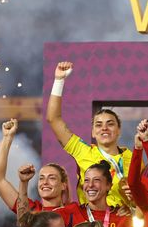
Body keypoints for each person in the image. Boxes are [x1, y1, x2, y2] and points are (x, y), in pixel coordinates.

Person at [46, 61, 133, 208]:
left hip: (122, 225)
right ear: (93, 132)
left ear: (119, 130)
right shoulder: (83, 151)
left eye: (110, 124)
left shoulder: (132, 158)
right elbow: (53, 119)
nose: (104, 128)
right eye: (98, 125)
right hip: (91, 223)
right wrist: (59, 80)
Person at [0, 119, 82, 225]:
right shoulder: (31, 209)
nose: (45, 182)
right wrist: (7, 138)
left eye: (52, 178)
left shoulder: (73, 211)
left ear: (63, 185)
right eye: (41, 178)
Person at [80, 162, 137, 227]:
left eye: (96, 180)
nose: (90, 185)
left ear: (108, 185)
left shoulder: (122, 218)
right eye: (86, 180)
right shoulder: (74, 212)